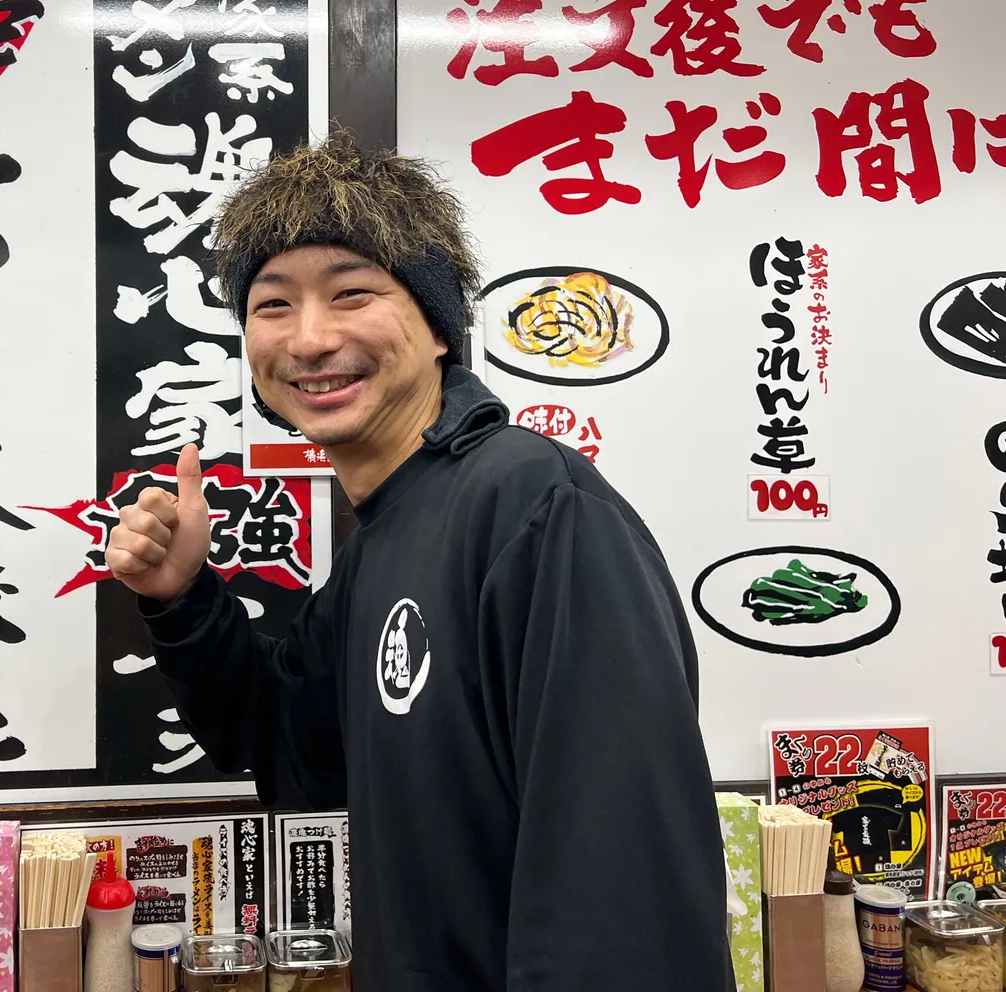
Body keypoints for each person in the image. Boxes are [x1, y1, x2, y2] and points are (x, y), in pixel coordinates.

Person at [104, 134, 734, 991]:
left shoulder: (535, 506)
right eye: (273, 305)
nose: (311, 339)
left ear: (438, 326)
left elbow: (621, 875)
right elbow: (287, 747)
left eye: (353, 294)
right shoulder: (388, 539)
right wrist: (182, 599)